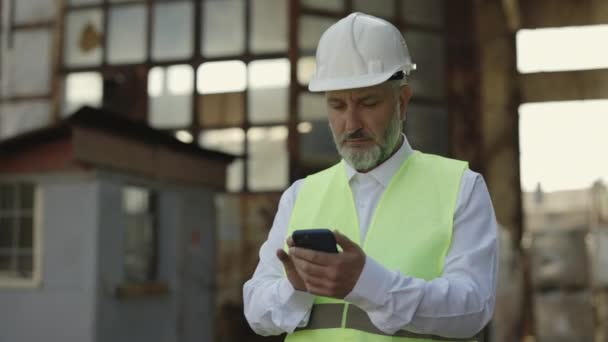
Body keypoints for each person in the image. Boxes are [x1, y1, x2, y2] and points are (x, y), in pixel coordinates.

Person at [243, 12, 497, 341]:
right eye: (337, 105)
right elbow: (256, 313)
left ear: (402, 102)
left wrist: (369, 283)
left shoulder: (460, 188)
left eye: (368, 103)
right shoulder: (300, 195)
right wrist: (296, 289)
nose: (351, 123)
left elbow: (474, 308)